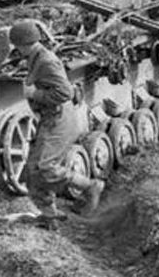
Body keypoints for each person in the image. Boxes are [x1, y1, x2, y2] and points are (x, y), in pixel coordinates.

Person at [9, 19, 104, 229]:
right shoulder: (36, 58)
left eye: (16, 45)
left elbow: (65, 92)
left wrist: (35, 93)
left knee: (45, 167)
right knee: (33, 169)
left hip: (59, 119)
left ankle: (90, 186)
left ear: (21, 43)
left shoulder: (45, 61)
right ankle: (50, 215)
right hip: (50, 117)